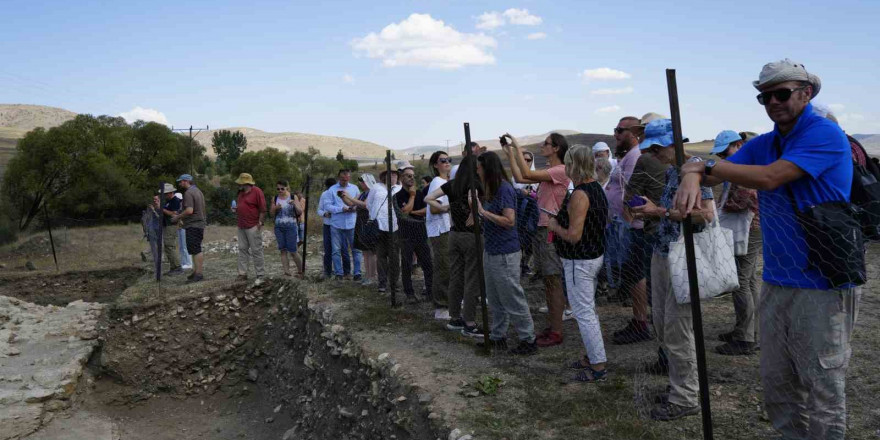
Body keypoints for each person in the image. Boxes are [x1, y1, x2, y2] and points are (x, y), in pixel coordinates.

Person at [675, 59, 861, 439]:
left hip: (822, 282)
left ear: (806, 94)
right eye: (765, 96)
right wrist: (694, 169)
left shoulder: (822, 134)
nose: (773, 101)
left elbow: (771, 177)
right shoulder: (766, 142)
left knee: (822, 386)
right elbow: (707, 165)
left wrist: (701, 165)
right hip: (777, 280)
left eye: (782, 93)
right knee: (778, 383)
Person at [630, 119, 715, 421]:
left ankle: (686, 397)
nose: (653, 154)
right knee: (664, 324)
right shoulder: (670, 173)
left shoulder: (698, 175)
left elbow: (705, 216)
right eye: (649, 149)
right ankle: (680, 385)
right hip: (663, 253)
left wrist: (659, 211)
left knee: (679, 329)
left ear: (673, 143)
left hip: (683, 258)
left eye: (656, 148)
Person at [547, 145, 609, 381]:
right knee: (588, 310)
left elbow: (574, 235)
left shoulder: (581, 194)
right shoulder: (596, 188)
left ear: (574, 164)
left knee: (583, 313)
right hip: (591, 257)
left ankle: (598, 366)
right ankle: (593, 356)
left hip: (579, 261)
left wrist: (554, 226)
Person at [503, 132, 570, 347]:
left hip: (549, 230)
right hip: (542, 230)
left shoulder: (559, 170)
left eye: (547, 144)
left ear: (556, 148)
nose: (543, 146)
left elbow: (526, 174)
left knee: (553, 280)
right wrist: (510, 154)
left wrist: (517, 147)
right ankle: (554, 325)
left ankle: (557, 330)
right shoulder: (551, 172)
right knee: (549, 281)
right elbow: (521, 178)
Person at [612, 114, 669, 349]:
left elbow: (630, 194)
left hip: (643, 225)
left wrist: (629, 215)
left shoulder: (643, 159)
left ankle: (644, 324)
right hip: (662, 223)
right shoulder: (671, 161)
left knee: (640, 275)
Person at [474, 151, 537, 355]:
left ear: (487, 168)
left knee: (511, 296)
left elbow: (509, 221)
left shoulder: (504, 189)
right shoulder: (490, 189)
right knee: (495, 297)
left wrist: (483, 212)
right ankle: (498, 336)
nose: (476, 170)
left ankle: (528, 339)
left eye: (479, 166)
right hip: (491, 250)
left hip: (505, 253)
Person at [710, 130, 762, 356]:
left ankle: (746, 338)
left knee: (740, 281)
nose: (724, 157)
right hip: (751, 228)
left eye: (725, 152)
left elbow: (746, 199)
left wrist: (720, 208)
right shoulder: (746, 164)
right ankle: (749, 329)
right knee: (748, 280)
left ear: (738, 144)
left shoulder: (746, 168)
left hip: (748, 229)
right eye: (720, 154)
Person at [425, 154, 484, 338]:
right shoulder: (475, 185)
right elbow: (475, 203)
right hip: (471, 235)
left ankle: (454, 317)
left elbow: (428, 198)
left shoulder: (452, 185)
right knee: (472, 278)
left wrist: (446, 208)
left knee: (456, 276)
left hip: (453, 234)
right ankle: (470, 322)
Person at [394, 161, 433, 304]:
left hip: (421, 233)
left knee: (427, 263)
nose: (411, 178)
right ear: (401, 178)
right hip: (405, 235)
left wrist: (412, 212)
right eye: (407, 176)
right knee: (407, 265)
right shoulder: (397, 196)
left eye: (412, 176)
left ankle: (430, 291)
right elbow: (403, 214)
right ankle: (409, 294)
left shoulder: (421, 193)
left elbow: (425, 211)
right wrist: (411, 196)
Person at [425, 151, 453, 320]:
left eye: (448, 159)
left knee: (450, 265)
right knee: (443, 266)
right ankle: (441, 306)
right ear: (436, 165)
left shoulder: (447, 181)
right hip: (439, 229)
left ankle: (451, 300)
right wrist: (453, 206)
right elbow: (434, 208)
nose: (447, 162)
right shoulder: (437, 181)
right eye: (443, 160)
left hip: (448, 227)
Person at [366, 168, 401, 296]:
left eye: (395, 175)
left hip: (395, 227)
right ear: (384, 177)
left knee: (394, 257)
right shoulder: (376, 187)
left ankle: (394, 283)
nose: (392, 177)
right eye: (390, 175)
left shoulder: (399, 188)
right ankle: (382, 283)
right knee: (381, 257)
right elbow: (369, 204)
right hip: (378, 227)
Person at [327, 169, 362, 281]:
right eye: (343, 179)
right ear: (339, 178)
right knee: (336, 250)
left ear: (349, 177)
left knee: (356, 249)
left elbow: (359, 202)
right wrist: (341, 209)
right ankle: (339, 273)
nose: (345, 180)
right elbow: (328, 206)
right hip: (336, 224)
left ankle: (357, 273)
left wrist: (353, 208)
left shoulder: (355, 188)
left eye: (347, 178)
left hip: (352, 223)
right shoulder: (332, 190)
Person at [171, 174, 206, 283]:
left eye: (180, 181)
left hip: (194, 224)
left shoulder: (188, 193)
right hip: (198, 223)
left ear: (186, 181)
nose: (180, 183)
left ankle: (199, 274)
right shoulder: (198, 191)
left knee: (196, 249)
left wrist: (178, 217)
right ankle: (196, 272)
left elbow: (189, 210)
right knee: (194, 248)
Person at [345, 174, 378, 286]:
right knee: (365, 251)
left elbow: (365, 205)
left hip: (369, 223)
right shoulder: (362, 194)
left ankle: (372, 276)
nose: (361, 184)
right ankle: (368, 275)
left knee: (371, 251)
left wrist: (350, 198)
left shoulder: (372, 192)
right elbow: (352, 205)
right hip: (361, 223)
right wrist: (343, 197)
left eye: (363, 182)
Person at [234, 173, 267, 283]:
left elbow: (262, 208)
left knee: (256, 250)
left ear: (245, 183)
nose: (239, 184)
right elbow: (241, 207)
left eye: (241, 183)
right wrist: (236, 209)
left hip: (253, 225)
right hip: (241, 225)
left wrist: (260, 222)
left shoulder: (257, 191)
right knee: (242, 249)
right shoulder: (241, 193)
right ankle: (242, 273)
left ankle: (260, 274)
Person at [271, 180, 304, 279]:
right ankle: (286, 272)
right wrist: (275, 208)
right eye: (278, 189)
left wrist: (294, 204)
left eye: (282, 188)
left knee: (293, 250)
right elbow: (271, 213)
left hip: (291, 226)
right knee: (283, 250)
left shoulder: (293, 197)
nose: (280, 190)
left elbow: (299, 211)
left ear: (287, 188)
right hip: (278, 227)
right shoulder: (275, 198)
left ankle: (301, 271)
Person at [155, 183, 183, 275]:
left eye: (165, 193)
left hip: (171, 226)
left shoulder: (175, 201)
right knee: (168, 247)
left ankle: (177, 267)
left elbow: (174, 214)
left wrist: (161, 208)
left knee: (170, 246)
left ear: (170, 193)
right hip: (167, 225)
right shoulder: (168, 201)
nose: (164, 195)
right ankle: (173, 267)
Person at [316, 178, 338, 280]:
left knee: (339, 249)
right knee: (328, 248)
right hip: (328, 225)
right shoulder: (324, 194)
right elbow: (319, 209)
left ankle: (340, 272)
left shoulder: (341, 194)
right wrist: (324, 213)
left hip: (339, 225)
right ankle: (328, 271)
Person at [174, 191, 192, 270]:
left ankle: (189, 263)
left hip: (185, 227)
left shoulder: (183, 207)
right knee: (181, 246)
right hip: (179, 227)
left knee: (185, 246)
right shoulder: (177, 207)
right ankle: (183, 262)